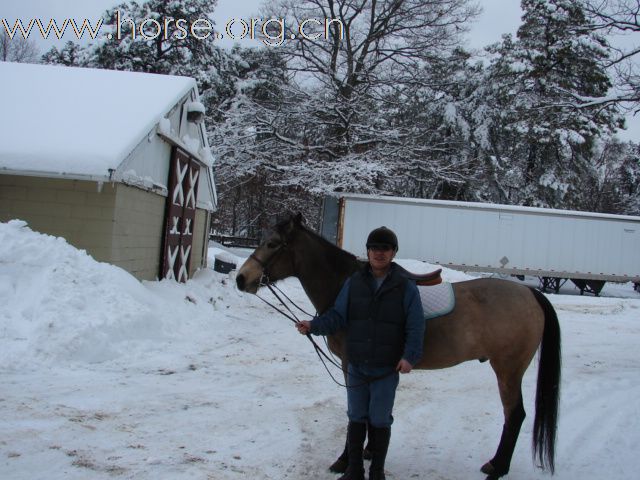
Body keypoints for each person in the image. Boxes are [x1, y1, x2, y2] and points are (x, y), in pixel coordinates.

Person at [296, 226, 425, 480]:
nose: (379, 253)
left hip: (385, 368)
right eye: (374, 248)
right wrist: (313, 326)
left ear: (393, 252)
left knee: (379, 419)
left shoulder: (406, 287)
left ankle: (376, 472)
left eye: (385, 248)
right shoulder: (354, 282)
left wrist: (410, 356)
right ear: (367, 251)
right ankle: (355, 470)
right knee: (356, 417)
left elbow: (416, 325)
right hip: (356, 364)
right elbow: (337, 316)